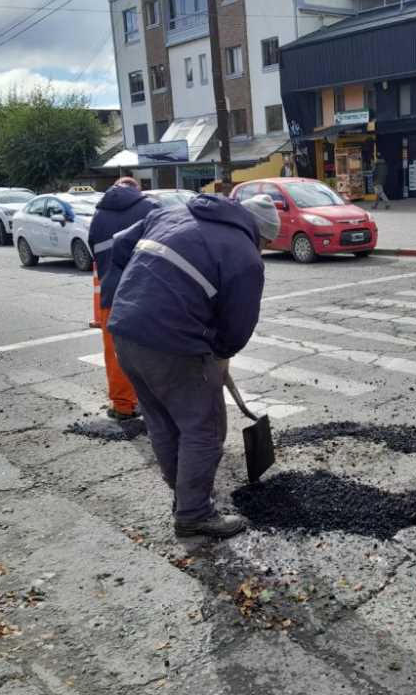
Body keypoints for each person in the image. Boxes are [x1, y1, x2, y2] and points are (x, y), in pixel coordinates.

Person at [108, 194, 280, 539]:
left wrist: (143, 292)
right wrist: (219, 354)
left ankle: (186, 498)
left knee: (163, 422)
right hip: (174, 342)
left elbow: (120, 245)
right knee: (204, 427)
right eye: (266, 243)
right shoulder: (245, 257)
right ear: (259, 235)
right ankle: (194, 513)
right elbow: (237, 328)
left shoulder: (174, 212)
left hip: (125, 330)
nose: (263, 249)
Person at [88, 176, 160, 421]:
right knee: (153, 350)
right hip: (145, 292)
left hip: (111, 292)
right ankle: (156, 404)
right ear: (137, 190)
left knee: (116, 353)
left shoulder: (98, 215)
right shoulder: (149, 208)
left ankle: (123, 406)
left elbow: (95, 255)